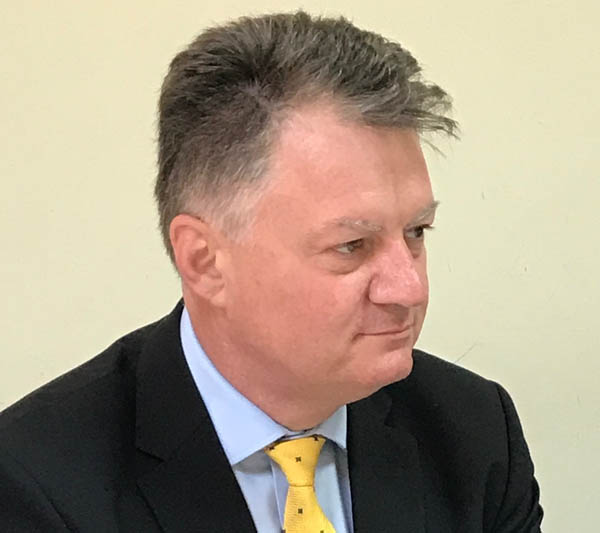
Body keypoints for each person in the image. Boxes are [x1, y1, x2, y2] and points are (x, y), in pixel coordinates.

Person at [0, 11, 543, 532]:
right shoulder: (39, 483)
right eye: (351, 246)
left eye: (416, 232)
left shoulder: (472, 433)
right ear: (204, 260)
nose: (409, 287)